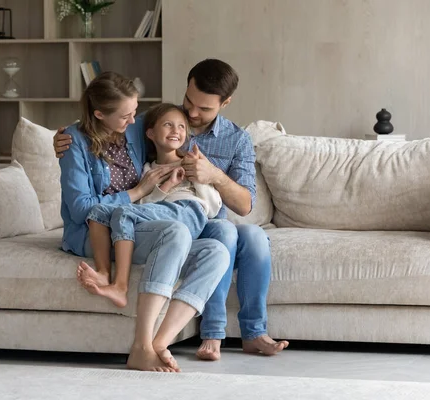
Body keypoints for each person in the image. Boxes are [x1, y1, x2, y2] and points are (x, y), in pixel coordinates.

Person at [56, 59, 289, 361]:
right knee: (219, 232)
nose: (191, 114)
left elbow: (244, 205)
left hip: (197, 215)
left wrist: (214, 175)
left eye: (203, 109)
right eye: (188, 102)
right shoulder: (147, 123)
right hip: (157, 216)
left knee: (251, 237)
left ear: (225, 103)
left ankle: (253, 332)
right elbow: (100, 125)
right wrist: (64, 138)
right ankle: (212, 331)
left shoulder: (236, 139)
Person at [59, 71, 230, 372]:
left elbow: (170, 123)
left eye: (136, 112)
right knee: (175, 232)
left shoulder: (134, 128)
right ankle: (140, 345)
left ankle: (159, 343)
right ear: (99, 114)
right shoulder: (75, 142)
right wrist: (137, 191)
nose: (134, 120)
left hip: (142, 225)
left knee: (216, 252)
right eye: (126, 116)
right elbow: (79, 209)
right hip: (96, 231)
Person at [78, 103, 223, 308]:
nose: (176, 131)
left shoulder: (192, 163)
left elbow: (214, 206)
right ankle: (104, 274)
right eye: (168, 125)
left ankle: (120, 286)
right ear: (151, 133)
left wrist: (197, 174)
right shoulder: (148, 170)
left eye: (182, 127)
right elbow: (144, 207)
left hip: (189, 213)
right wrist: (166, 186)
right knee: (99, 211)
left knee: (123, 213)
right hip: (163, 223)